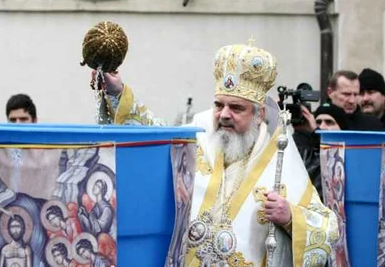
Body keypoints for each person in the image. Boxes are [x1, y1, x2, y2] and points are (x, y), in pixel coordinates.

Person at [91, 42, 338, 266]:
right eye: (219, 105)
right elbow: (152, 135)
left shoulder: (279, 153)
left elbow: (327, 229)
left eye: (236, 107)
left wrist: (290, 217)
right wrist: (117, 93)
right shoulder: (197, 135)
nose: (224, 114)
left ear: (259, 114)